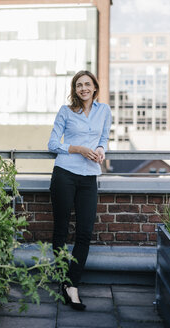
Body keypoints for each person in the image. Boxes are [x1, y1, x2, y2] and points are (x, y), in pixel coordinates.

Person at [47, 70, 112, 311]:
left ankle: (71, 283)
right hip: (64, 174)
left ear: (95, 87)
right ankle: (66, 284)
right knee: (61, 231)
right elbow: (53, 144)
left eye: (87, 84)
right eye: (78, 85)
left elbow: (104, 137)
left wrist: (100, 148)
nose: (83, 88)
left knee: (85, 232)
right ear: (75, 90)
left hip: (89, 177)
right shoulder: (66, 112)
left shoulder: (104, 110)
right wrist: (79, 149)